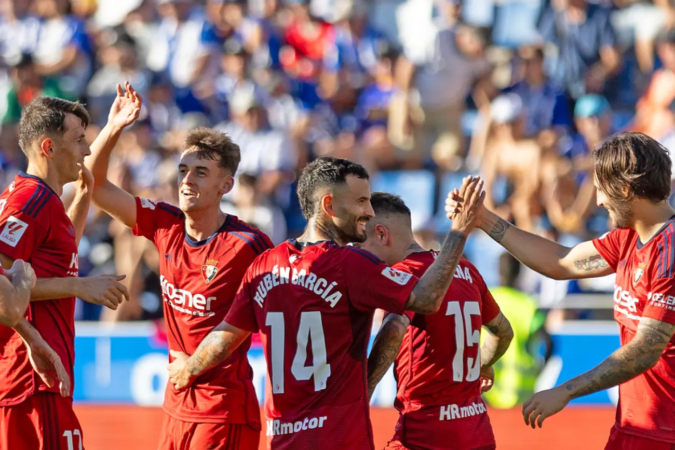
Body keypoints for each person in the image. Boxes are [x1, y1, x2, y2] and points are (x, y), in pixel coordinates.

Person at [168, 159, 486, 449]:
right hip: (340, 439)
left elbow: (225, 336)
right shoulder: (350, 264)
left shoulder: (264, 264)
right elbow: (427, 299)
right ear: (329, 205)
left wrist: (187, 370)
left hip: (283, 440)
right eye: (361, 201)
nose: (370, 212)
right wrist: (459, 231)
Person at [446, 132, 675, 449]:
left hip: (664, 433)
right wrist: (483, 219)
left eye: (600, 190)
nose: (598, 201)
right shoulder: (628, 239)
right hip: (632, 426)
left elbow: (647, 349)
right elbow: (561, 262)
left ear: (625, 189)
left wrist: (566, 390)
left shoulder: (669, 253)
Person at [88, 83, 272, 449]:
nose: (187, 181)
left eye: (200, 173)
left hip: (223, 410)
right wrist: (113, 128)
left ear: (226, 185)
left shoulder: (248, 245)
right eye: (183, 170)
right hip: (176, 404)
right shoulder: (164, 223)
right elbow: (94, 187)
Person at [0, 92, 139, 450]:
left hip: (39, 382)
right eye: (79, 141)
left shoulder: (44, 200)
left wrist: (82, 197)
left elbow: (57, 257)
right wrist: (78, 287)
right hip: (29, 381)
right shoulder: (29, 202)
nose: (87, 151)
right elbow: (2, 282)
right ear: (48, 147)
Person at [361, 192, 513, 450]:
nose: (358, 254)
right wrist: (483, 364)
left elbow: (394, 330)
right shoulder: (466, 270)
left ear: (381, 234)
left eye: (359, 243)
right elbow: (504, 332)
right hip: (477, 431)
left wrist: (361, 395)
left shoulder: (403, 274)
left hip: (426, 434)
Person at [484, 252, 552, 409]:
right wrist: (539, 370)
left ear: (498, 271)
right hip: (522, 391)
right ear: (519, 273)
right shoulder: (529, 304)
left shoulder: (486, 299)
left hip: (488, 389)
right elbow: (549, 343)